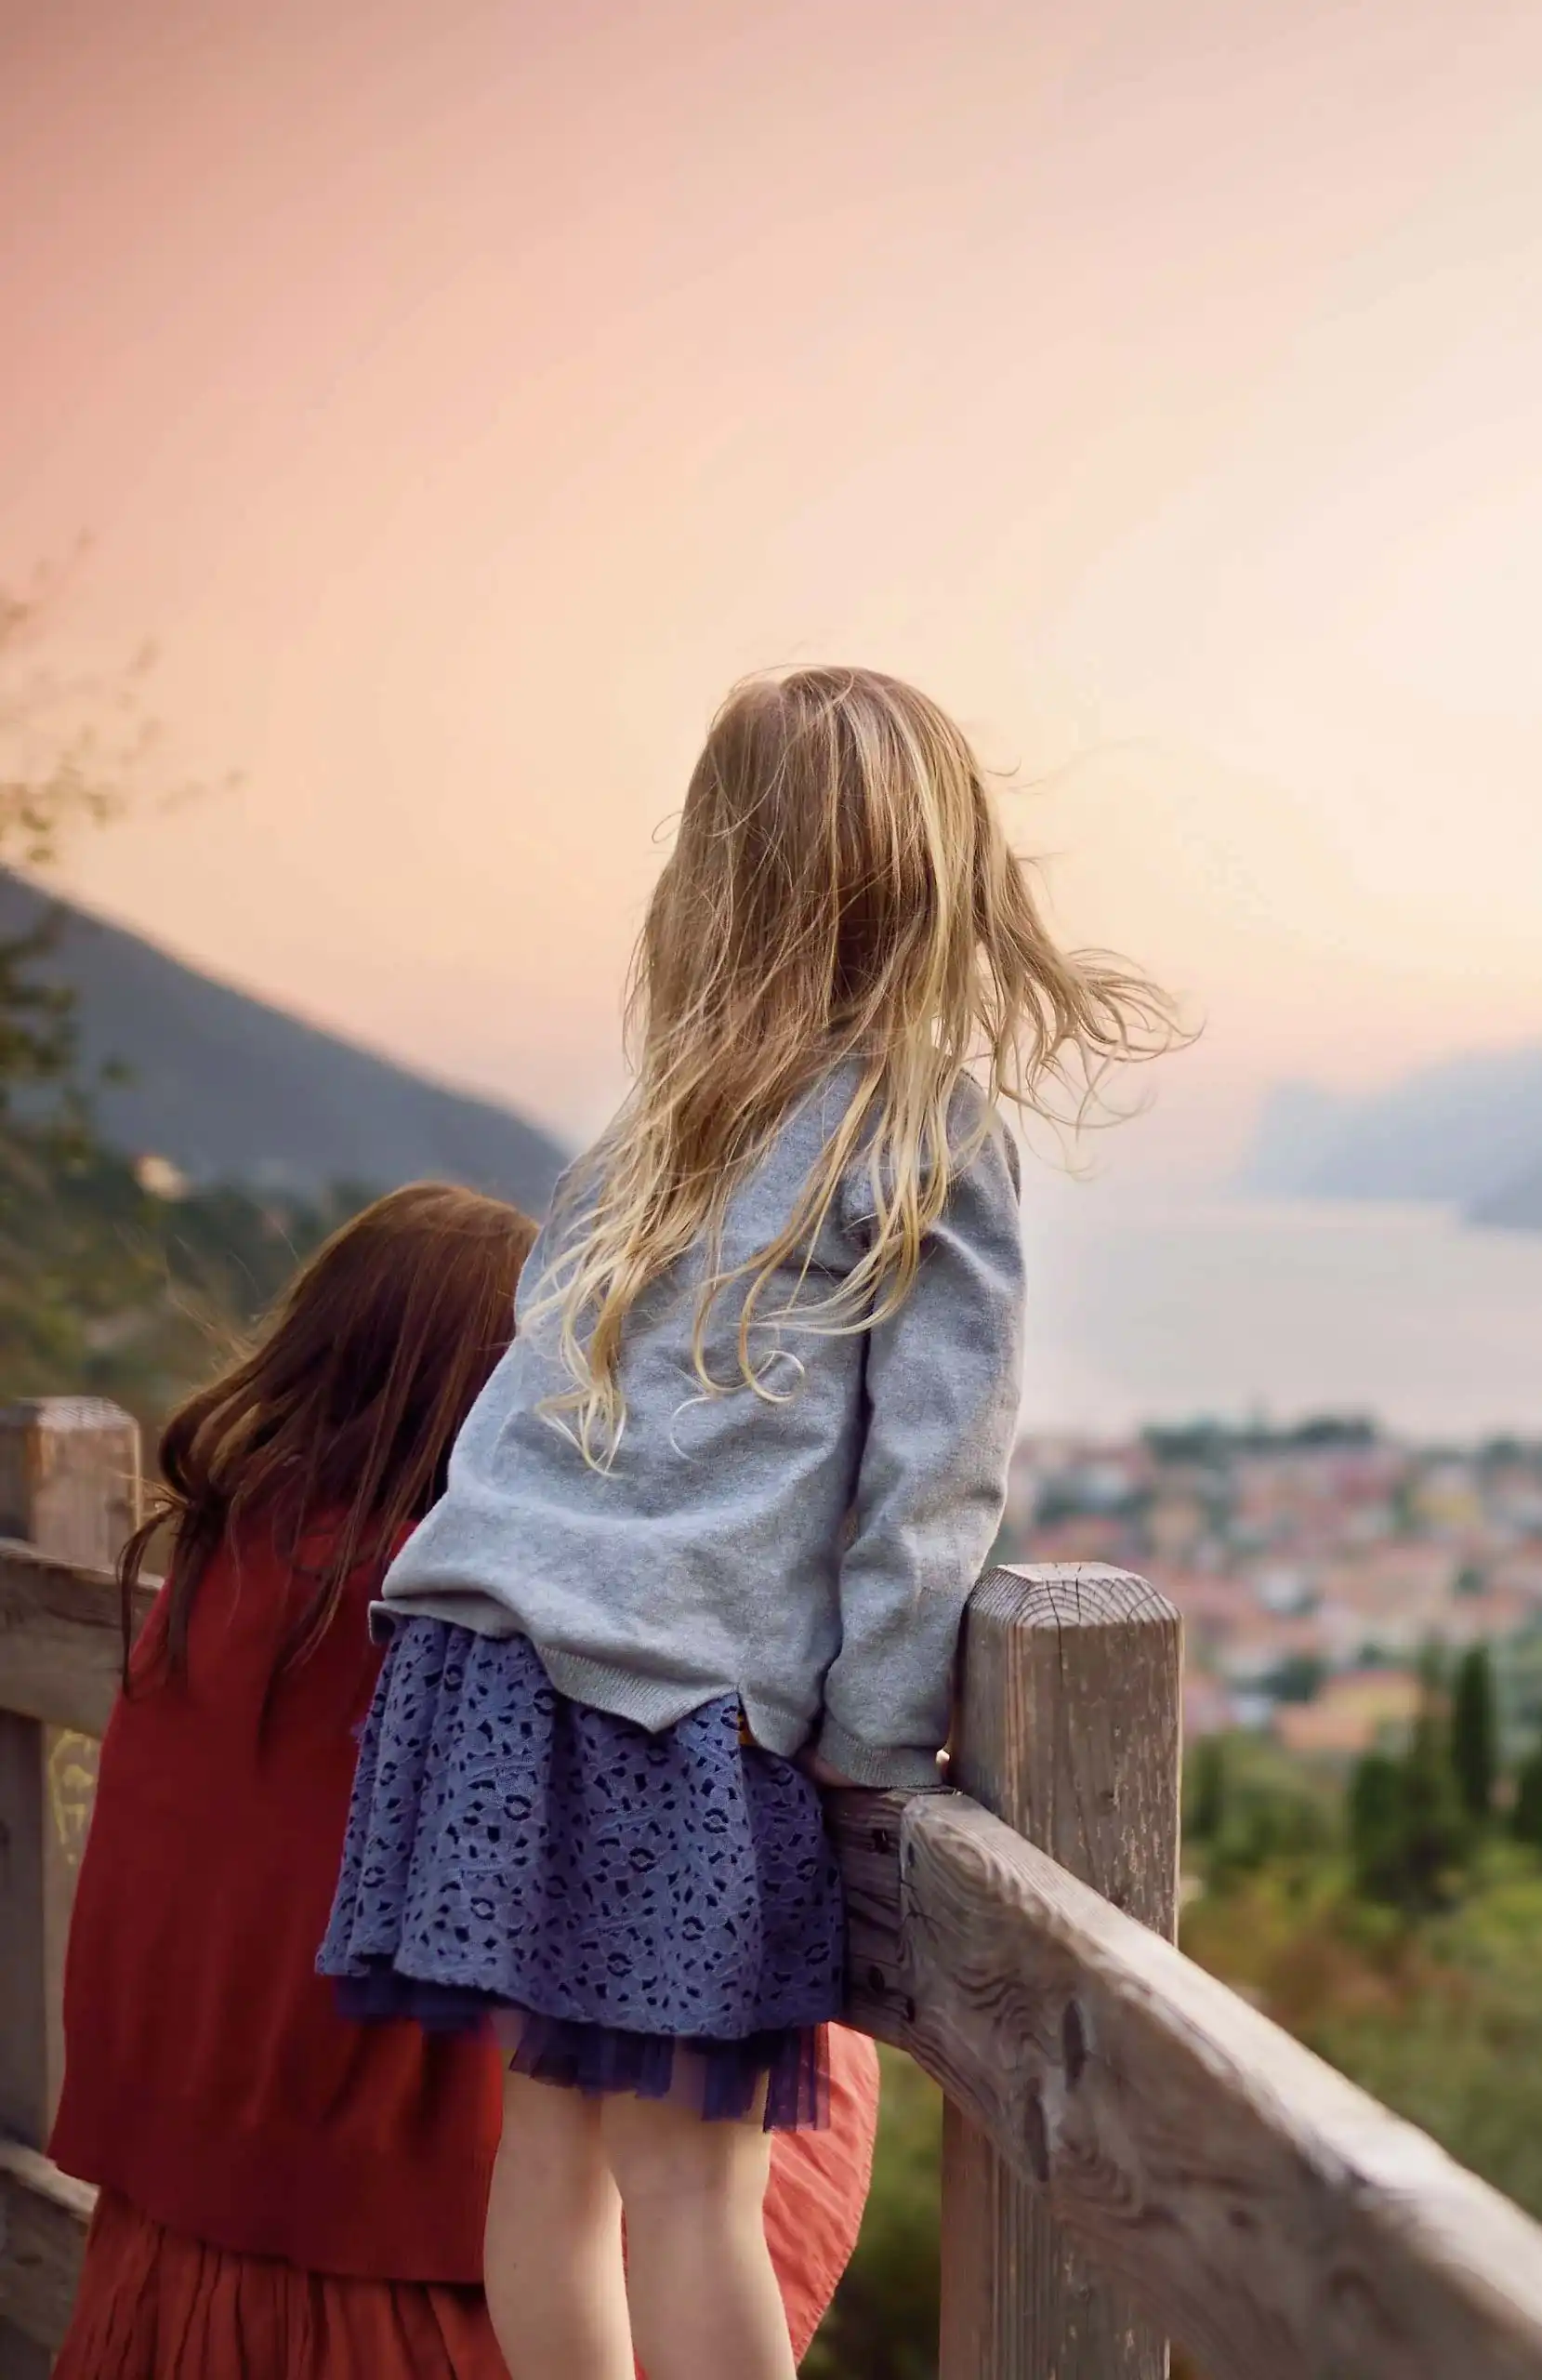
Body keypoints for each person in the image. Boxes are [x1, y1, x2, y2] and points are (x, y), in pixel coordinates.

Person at [316, 668, 1176, 2380]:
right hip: (666, 1708)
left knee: (549, 2151)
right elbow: (930, 1482)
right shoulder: (926, 1131)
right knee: (695, 2184)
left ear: (713, 872)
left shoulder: (652, 1128)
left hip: (478, 1668)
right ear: (941, 878)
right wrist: (874, 1745)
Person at [46, 1183, 884, 2379]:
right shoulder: (475, 1628)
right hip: (410, 2271)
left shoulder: (219, 1561)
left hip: (168, 2250)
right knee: (767, 2068)